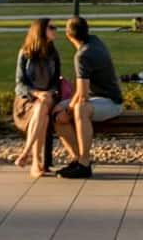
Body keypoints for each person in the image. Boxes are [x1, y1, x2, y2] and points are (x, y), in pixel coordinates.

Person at [53, 17, 123, 178]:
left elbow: (83, 95)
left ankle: (84, 164)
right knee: (56, 111)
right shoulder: (95, 41)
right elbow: (81, 91)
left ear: (68, 35)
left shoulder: (83, 55)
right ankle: (77, 159)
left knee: (80, 108)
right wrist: (64, 108)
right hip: (95, 100)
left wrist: (68, 110)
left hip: (111, 102)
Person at [13, 18, 62, 177]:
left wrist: (50, 93)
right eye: (51, 27)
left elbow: (56, 82)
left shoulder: (53, 54)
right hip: (27, 100)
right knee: (43, 115)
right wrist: (36, 93)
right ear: (41, 31)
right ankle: (34, 160)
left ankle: (28, 154)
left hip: (48, 97)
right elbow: (19, 84)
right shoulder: (25, 53)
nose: (55, 30)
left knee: (42, 107)